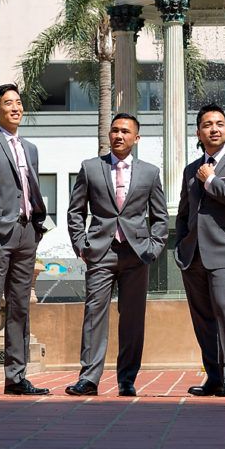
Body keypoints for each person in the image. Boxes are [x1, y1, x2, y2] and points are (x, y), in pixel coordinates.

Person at [65, 113, 168, 397]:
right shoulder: (90, 168)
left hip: (137, 255)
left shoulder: (149, 172)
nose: (118, 136)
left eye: (125, 131)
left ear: (136, 138)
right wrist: (81, 245)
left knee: (132, 318)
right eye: (114, 131)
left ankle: (127, 379)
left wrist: (154, 247)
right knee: (94, 314)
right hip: (100, 252)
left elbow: (160, 217)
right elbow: (76, 211)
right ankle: (89, 379)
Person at [0, 83, 50, 396]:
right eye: (8, 103)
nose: (15, 108)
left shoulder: (31, 149)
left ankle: (16, 377)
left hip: (27, 234)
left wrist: (38, 227)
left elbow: (31, 189)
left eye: (18, 102)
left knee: (20, 307)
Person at [174, 104, 225, 398]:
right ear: (199, 132)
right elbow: (184, 213)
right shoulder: (189, 169)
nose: (214, 128)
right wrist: (181, 245)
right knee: (202, 319)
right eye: (208, 124)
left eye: (220, 123)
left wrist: (210, 180)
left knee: (224, 311)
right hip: (192, 255)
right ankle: (214, 377)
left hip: (224, 253)